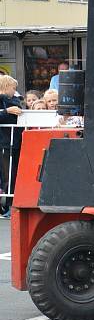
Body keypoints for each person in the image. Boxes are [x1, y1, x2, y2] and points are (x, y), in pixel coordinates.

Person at [0, 75, 22, 217]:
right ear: (6, 86)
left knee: (11, 174)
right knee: (7, 174)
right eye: (13, 88)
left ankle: (8, 205)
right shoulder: (6, 102)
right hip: (5, 142)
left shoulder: (13, 100)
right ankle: (7, 206)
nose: (15, 91)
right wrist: (7, 111)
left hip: (11, 142)